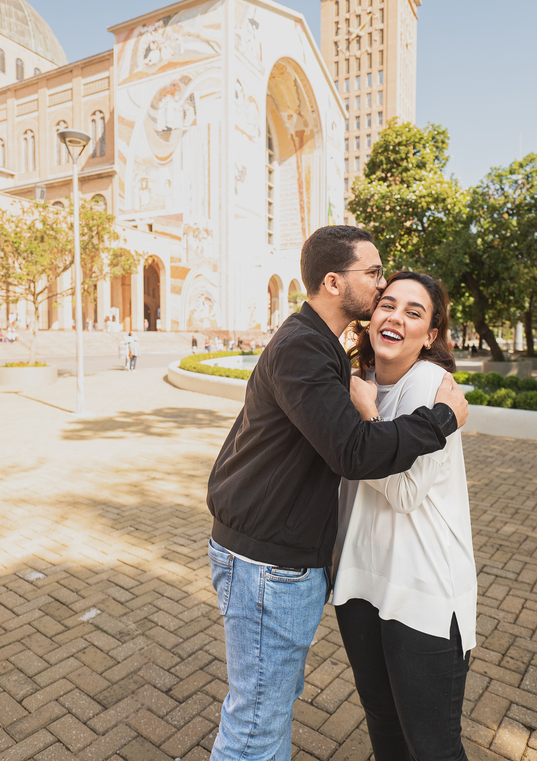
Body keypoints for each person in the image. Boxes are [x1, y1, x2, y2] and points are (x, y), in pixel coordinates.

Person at [207, 226, 470, 761]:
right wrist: (441, 419)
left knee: (265, 718)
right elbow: (353, 453)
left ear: (431, 333)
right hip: (273, 567)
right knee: (257, 726)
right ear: (333, 282)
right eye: (375, 277)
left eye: (412, 310)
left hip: (369, 583)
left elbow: (376, 471)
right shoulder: (311, 351)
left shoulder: (350, 362)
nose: (381, 288)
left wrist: (393, 411)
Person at [335, 272, 476, 761]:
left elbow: (406, 491)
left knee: (432, 747)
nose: (395, 317)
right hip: (360, 585)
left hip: (421, 592)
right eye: (387, 305)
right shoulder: (361, 383)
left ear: (430, 335)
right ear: (371, 316)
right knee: (384, 729)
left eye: (413, 312)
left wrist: (366, 419)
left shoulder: (430, 384)